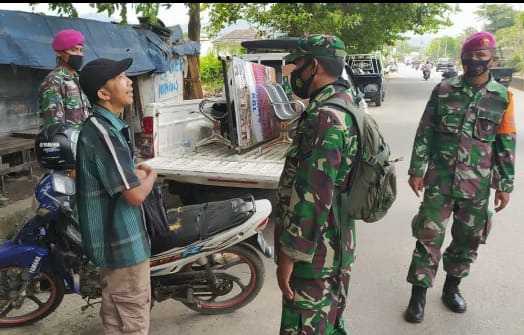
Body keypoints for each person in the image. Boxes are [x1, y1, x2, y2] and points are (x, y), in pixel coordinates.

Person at [404, 31, 516, 323]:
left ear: (493, 60)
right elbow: (425, 131)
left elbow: (505, 143)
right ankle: (418, 294)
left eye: (482, 56)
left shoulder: (503, 97)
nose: (475, 61)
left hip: (476, 185)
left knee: (468, 239)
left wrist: (504, 185)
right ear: (462, 58)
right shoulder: (443, 90)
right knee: (428, 236)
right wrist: (417, 169)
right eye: (470, 55)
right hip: (439, 179)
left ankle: (452, 288)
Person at [274, 34, 361, 334]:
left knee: (305, 326)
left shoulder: (326, 116)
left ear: (314, 66)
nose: (294, 73)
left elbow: (314, 195)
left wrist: (290, 255)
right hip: (337, 242)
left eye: (297, 65)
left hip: (316, 253)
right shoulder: (348, 104)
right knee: (330, 321)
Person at [76, 57, 157, 334]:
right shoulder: (103, 131)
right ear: (103, 93)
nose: (130, 81)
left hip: (116, 246)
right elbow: (134, 196)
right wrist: (152, 176)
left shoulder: (105, 128)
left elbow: (117, 178)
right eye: (122, 77)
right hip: (123, 247)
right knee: (132, 322)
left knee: (116, 319)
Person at [39, 29, 90, 131]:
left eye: (81, 50)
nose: (79, 54)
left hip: (81, 142)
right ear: (59, 52)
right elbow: (53, 125)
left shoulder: (77, 78)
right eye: (74, 50)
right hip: (65, 143)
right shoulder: (54, 81)